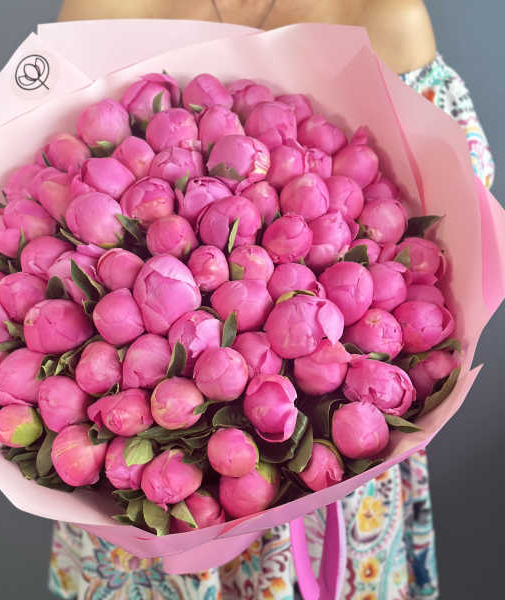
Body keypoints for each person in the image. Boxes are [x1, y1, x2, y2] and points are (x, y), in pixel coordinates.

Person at [49, 2, 495, 598]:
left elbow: (464, 205)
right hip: (135, 510)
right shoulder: (106, 10)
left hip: (343, 495)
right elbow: (59, 179)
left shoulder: (387, 13)